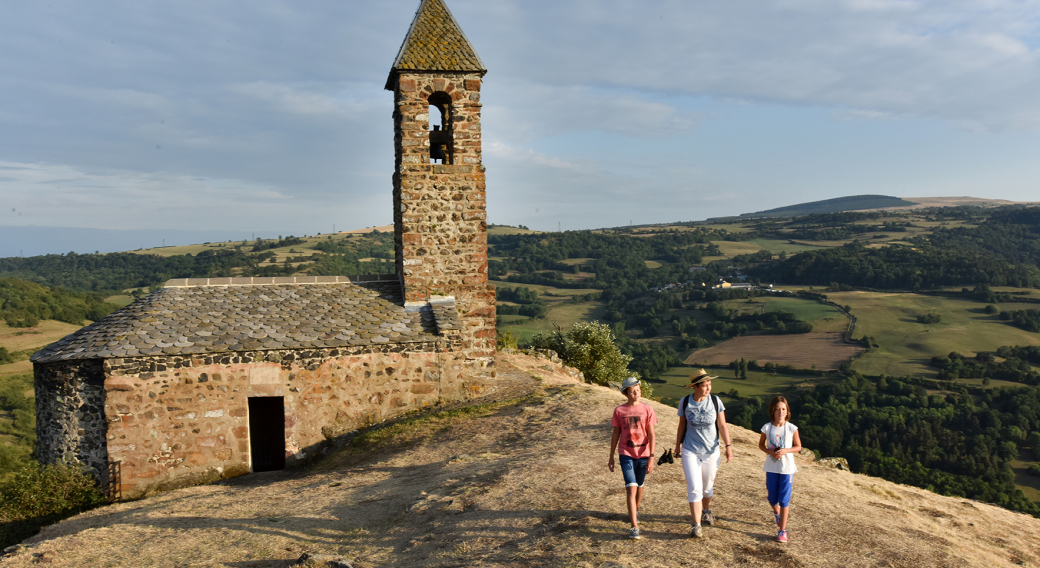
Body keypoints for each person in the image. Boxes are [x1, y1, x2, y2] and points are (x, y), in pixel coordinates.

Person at [674, 369, 733, 538]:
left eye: (709, 385)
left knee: (707, 488)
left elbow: (722, 425)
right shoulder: (685, 402)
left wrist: (728, 446)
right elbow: (682, 426)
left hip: (711, 452)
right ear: (695, 387)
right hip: (690, 450)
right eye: (705, 386)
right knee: (694, 489)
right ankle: (696, 524)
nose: (709, 388)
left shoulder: (715, 401)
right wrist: (677, 446)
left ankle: (706, 510)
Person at [608, 376, 657, 539]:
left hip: (644, 455)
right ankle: (634, 526)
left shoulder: (648, 409)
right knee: (631, 486)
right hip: (626, 454)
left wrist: (651, 457)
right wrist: (611, 456)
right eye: (633, 391)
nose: (636, 393)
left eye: (638, 390)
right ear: (626, 393)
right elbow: (615, 434)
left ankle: (635, 511)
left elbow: (651, 434)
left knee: (640, 484)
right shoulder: (619, 411)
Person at [758, 395, 802, 543]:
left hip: (787, 469)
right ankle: (777, 512)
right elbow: (761, 445)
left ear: (787, 410)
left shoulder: (792, 428)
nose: (780, 412)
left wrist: (785, 451)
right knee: (771, 497)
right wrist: (771, 452)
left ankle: (782, 530)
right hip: (771, 467)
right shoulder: (767, 427)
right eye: (777, 409)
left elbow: (798, 446)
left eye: (783, 409)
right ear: (772, 411)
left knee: (784, 500)